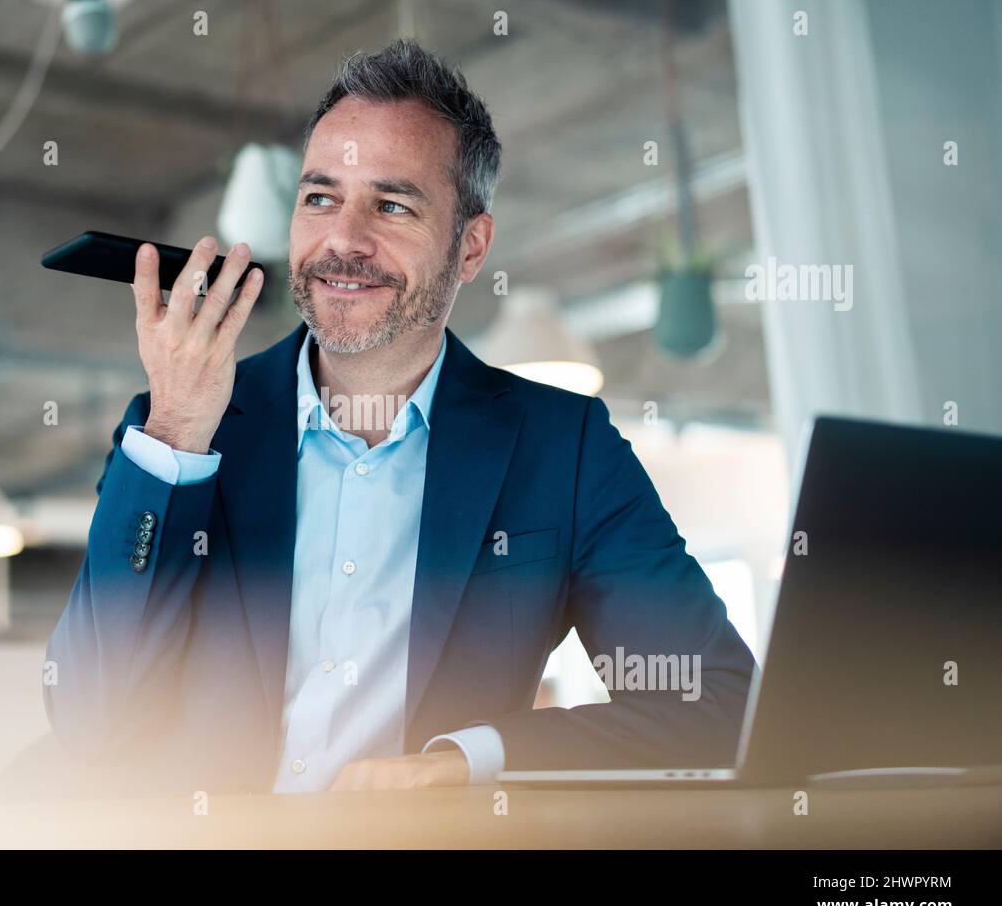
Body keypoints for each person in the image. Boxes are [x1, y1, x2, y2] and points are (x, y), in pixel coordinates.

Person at [44, 38, 756, 794]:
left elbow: (716, 701)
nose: (344, 240)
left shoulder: (562, 450)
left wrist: (470, 759)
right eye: (320, 197)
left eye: (391, 204)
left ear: (471, 245)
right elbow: (89, 719)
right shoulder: (180, 430)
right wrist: (179, 432)